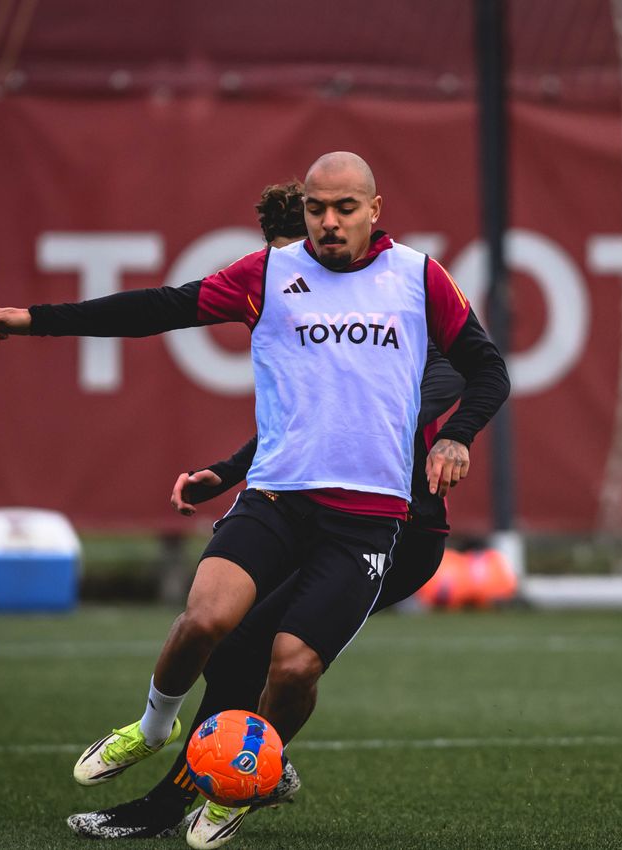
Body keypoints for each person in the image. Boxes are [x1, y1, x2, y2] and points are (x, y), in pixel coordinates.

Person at [0, 150, 509, 828]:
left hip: (390, 530)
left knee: (282, 661)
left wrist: (457, 437)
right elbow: (175, 318)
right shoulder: (272, 279)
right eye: (316, 212)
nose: (327, 227)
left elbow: (460, 379)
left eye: (344, 210)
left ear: (375, 212)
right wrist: (37, 321)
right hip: (285, 502)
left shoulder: (414, 286)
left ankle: (231, 783)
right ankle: (182, 778)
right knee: (224, 633)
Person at [65, 181, 469, 847]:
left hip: (399, 534)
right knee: (235, 643)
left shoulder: (405, 322)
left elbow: (364, 411)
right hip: (321, 520)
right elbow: (310, 423)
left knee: (255, 650)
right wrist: (226, 473)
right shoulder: (295, 302)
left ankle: (182, 801)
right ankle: (245, 775)